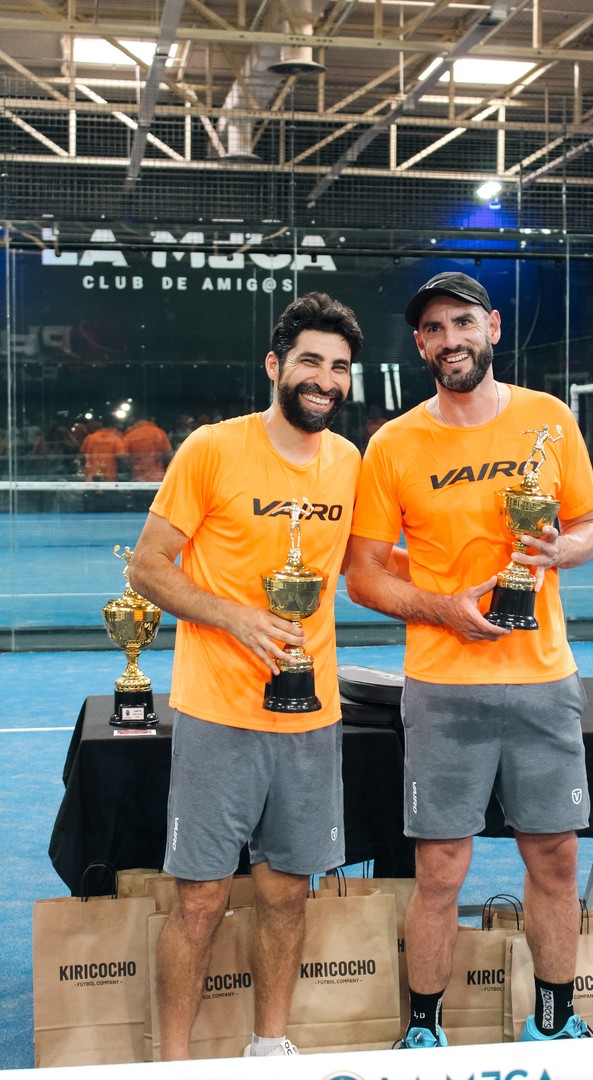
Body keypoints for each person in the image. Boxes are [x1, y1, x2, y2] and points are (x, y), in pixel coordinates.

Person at [345, 271, 593, 1047]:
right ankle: (424, 1031)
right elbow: (362, 575)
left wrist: (563, 546)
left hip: (542, 679)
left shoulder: (549, 419)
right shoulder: (392, 444)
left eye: (463, 321)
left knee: (555, 861)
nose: (451, 338)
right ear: (420, 343)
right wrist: (442, 610)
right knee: (440, 873)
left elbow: (591, 523)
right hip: (443, 686)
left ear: (491, 326)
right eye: (433, 328)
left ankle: (554, 1022)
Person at [127, 292, 364, 1060]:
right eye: (309, 362)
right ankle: (173, 1065)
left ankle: (271, 1047)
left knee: (288, 895)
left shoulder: (349, 462)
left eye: (338, 367)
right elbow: (147, 566)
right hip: (219, 713)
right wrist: (232, 616)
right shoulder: (212, 449)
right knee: (199, 900)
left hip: (309, 716)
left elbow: (369, 568)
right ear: (275, 366)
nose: (324, 379)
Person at [122, 416, 173, 480]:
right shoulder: (159, 432)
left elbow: (123, 458)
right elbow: (168, 456)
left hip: (138, 478)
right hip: (158, 477)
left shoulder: (129, 436)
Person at [79, 415, 127, 481]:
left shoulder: (89, 438)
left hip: (92, 477)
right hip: (109, 478)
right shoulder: (116, 439)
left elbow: (81, 456)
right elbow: (122, 457)